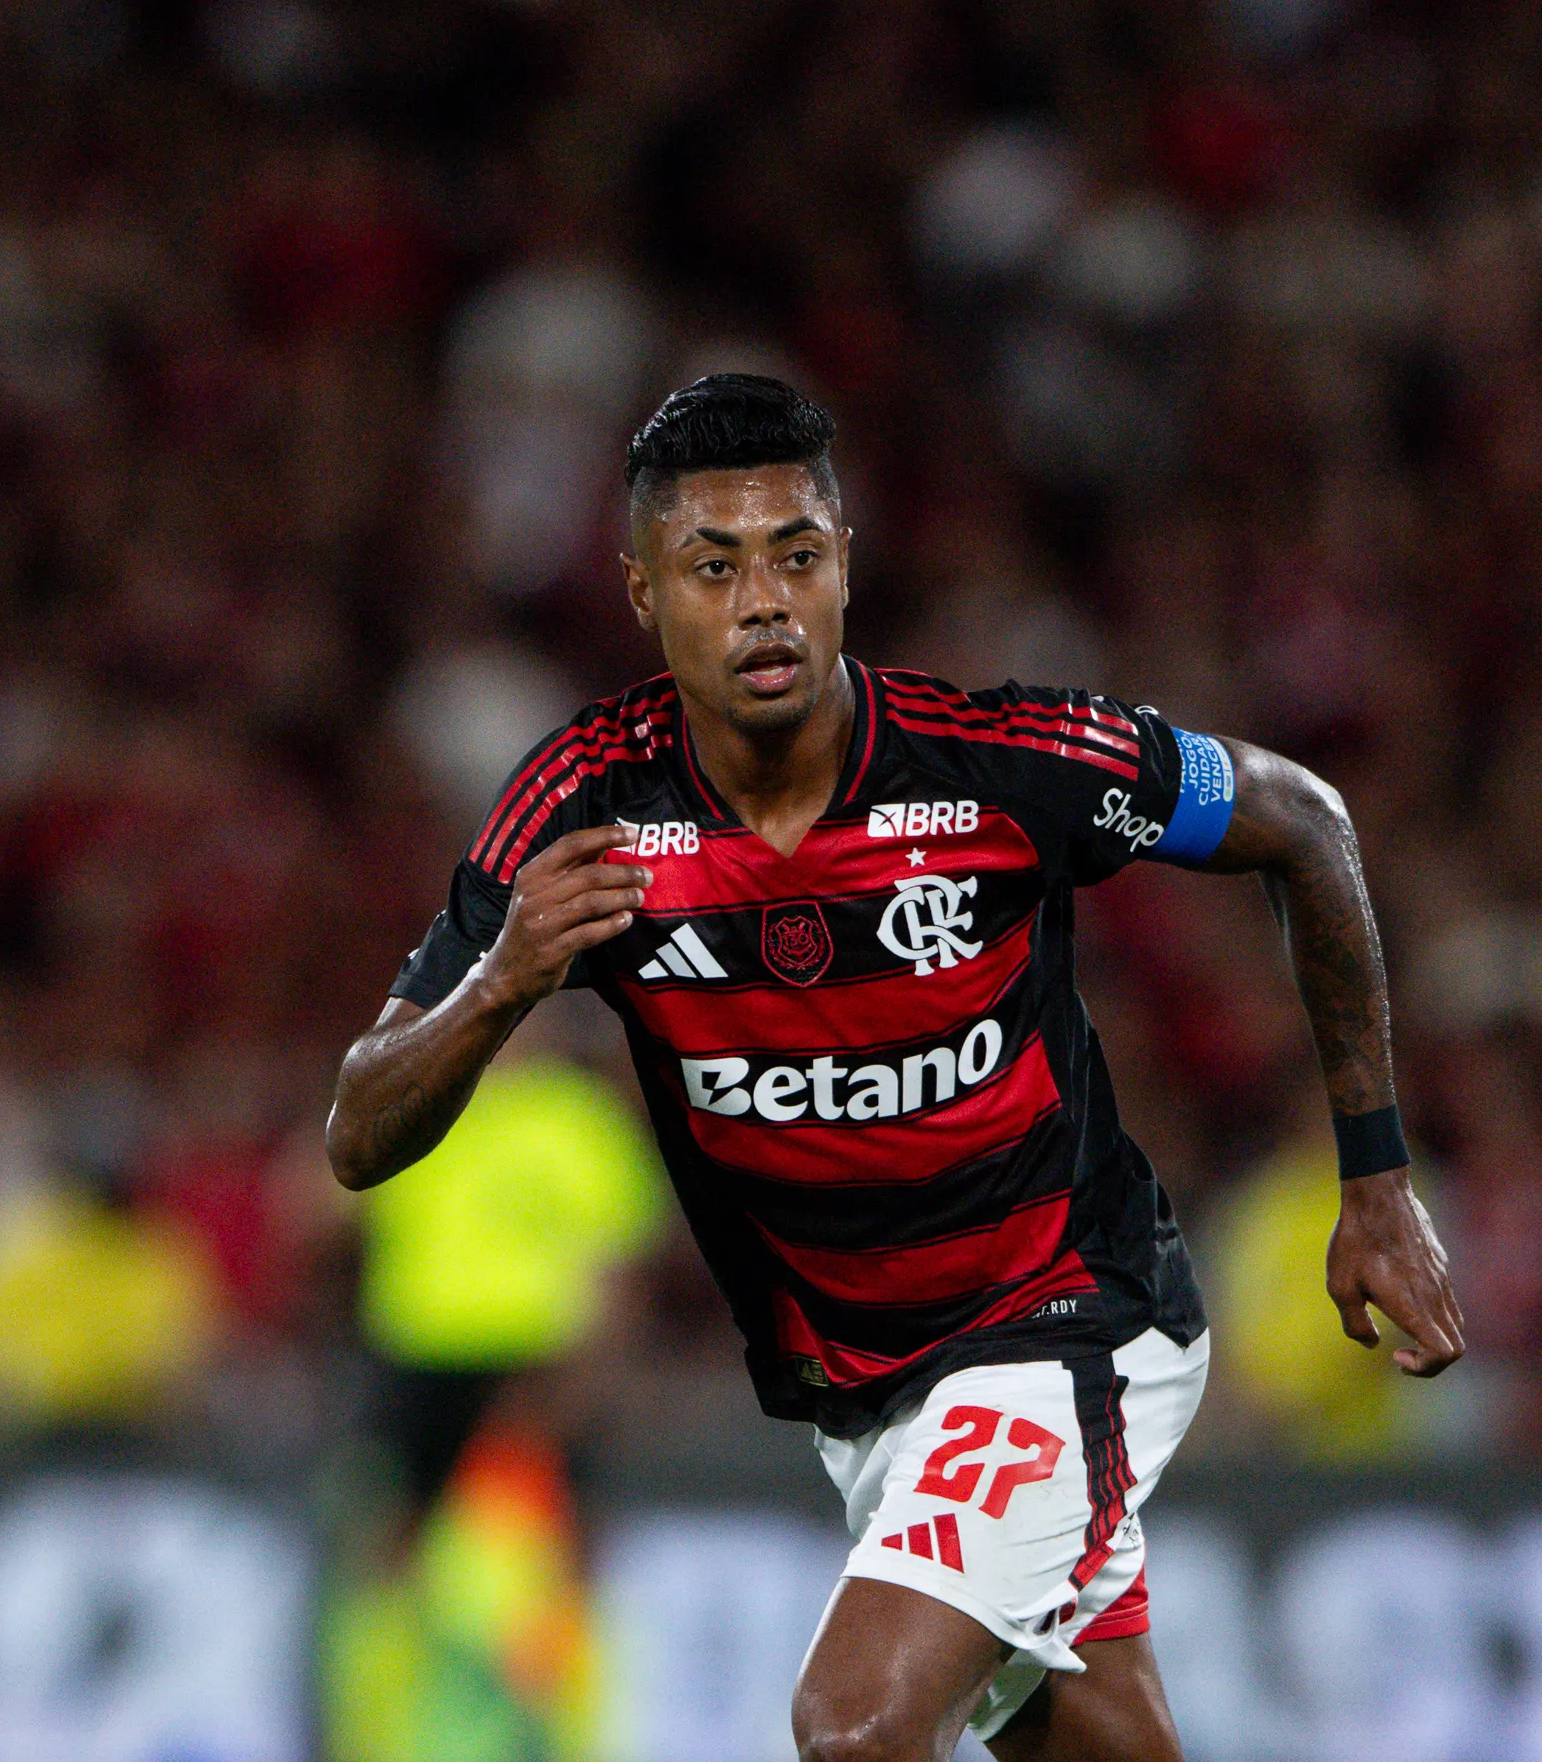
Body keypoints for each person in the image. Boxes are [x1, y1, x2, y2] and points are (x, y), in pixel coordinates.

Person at [325, 375, 1466, 1762]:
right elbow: (359, 1131)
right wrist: (502, 982)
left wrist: (1378, 1181)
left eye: (797, 556)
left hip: (1067, 1316)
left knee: (856, 1726)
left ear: (846, 566)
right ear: (642, 593)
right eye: (713, 565)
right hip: (867, 1393)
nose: (763, 602)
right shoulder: (583, 805)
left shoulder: (999, 766)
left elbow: (1307, 820)